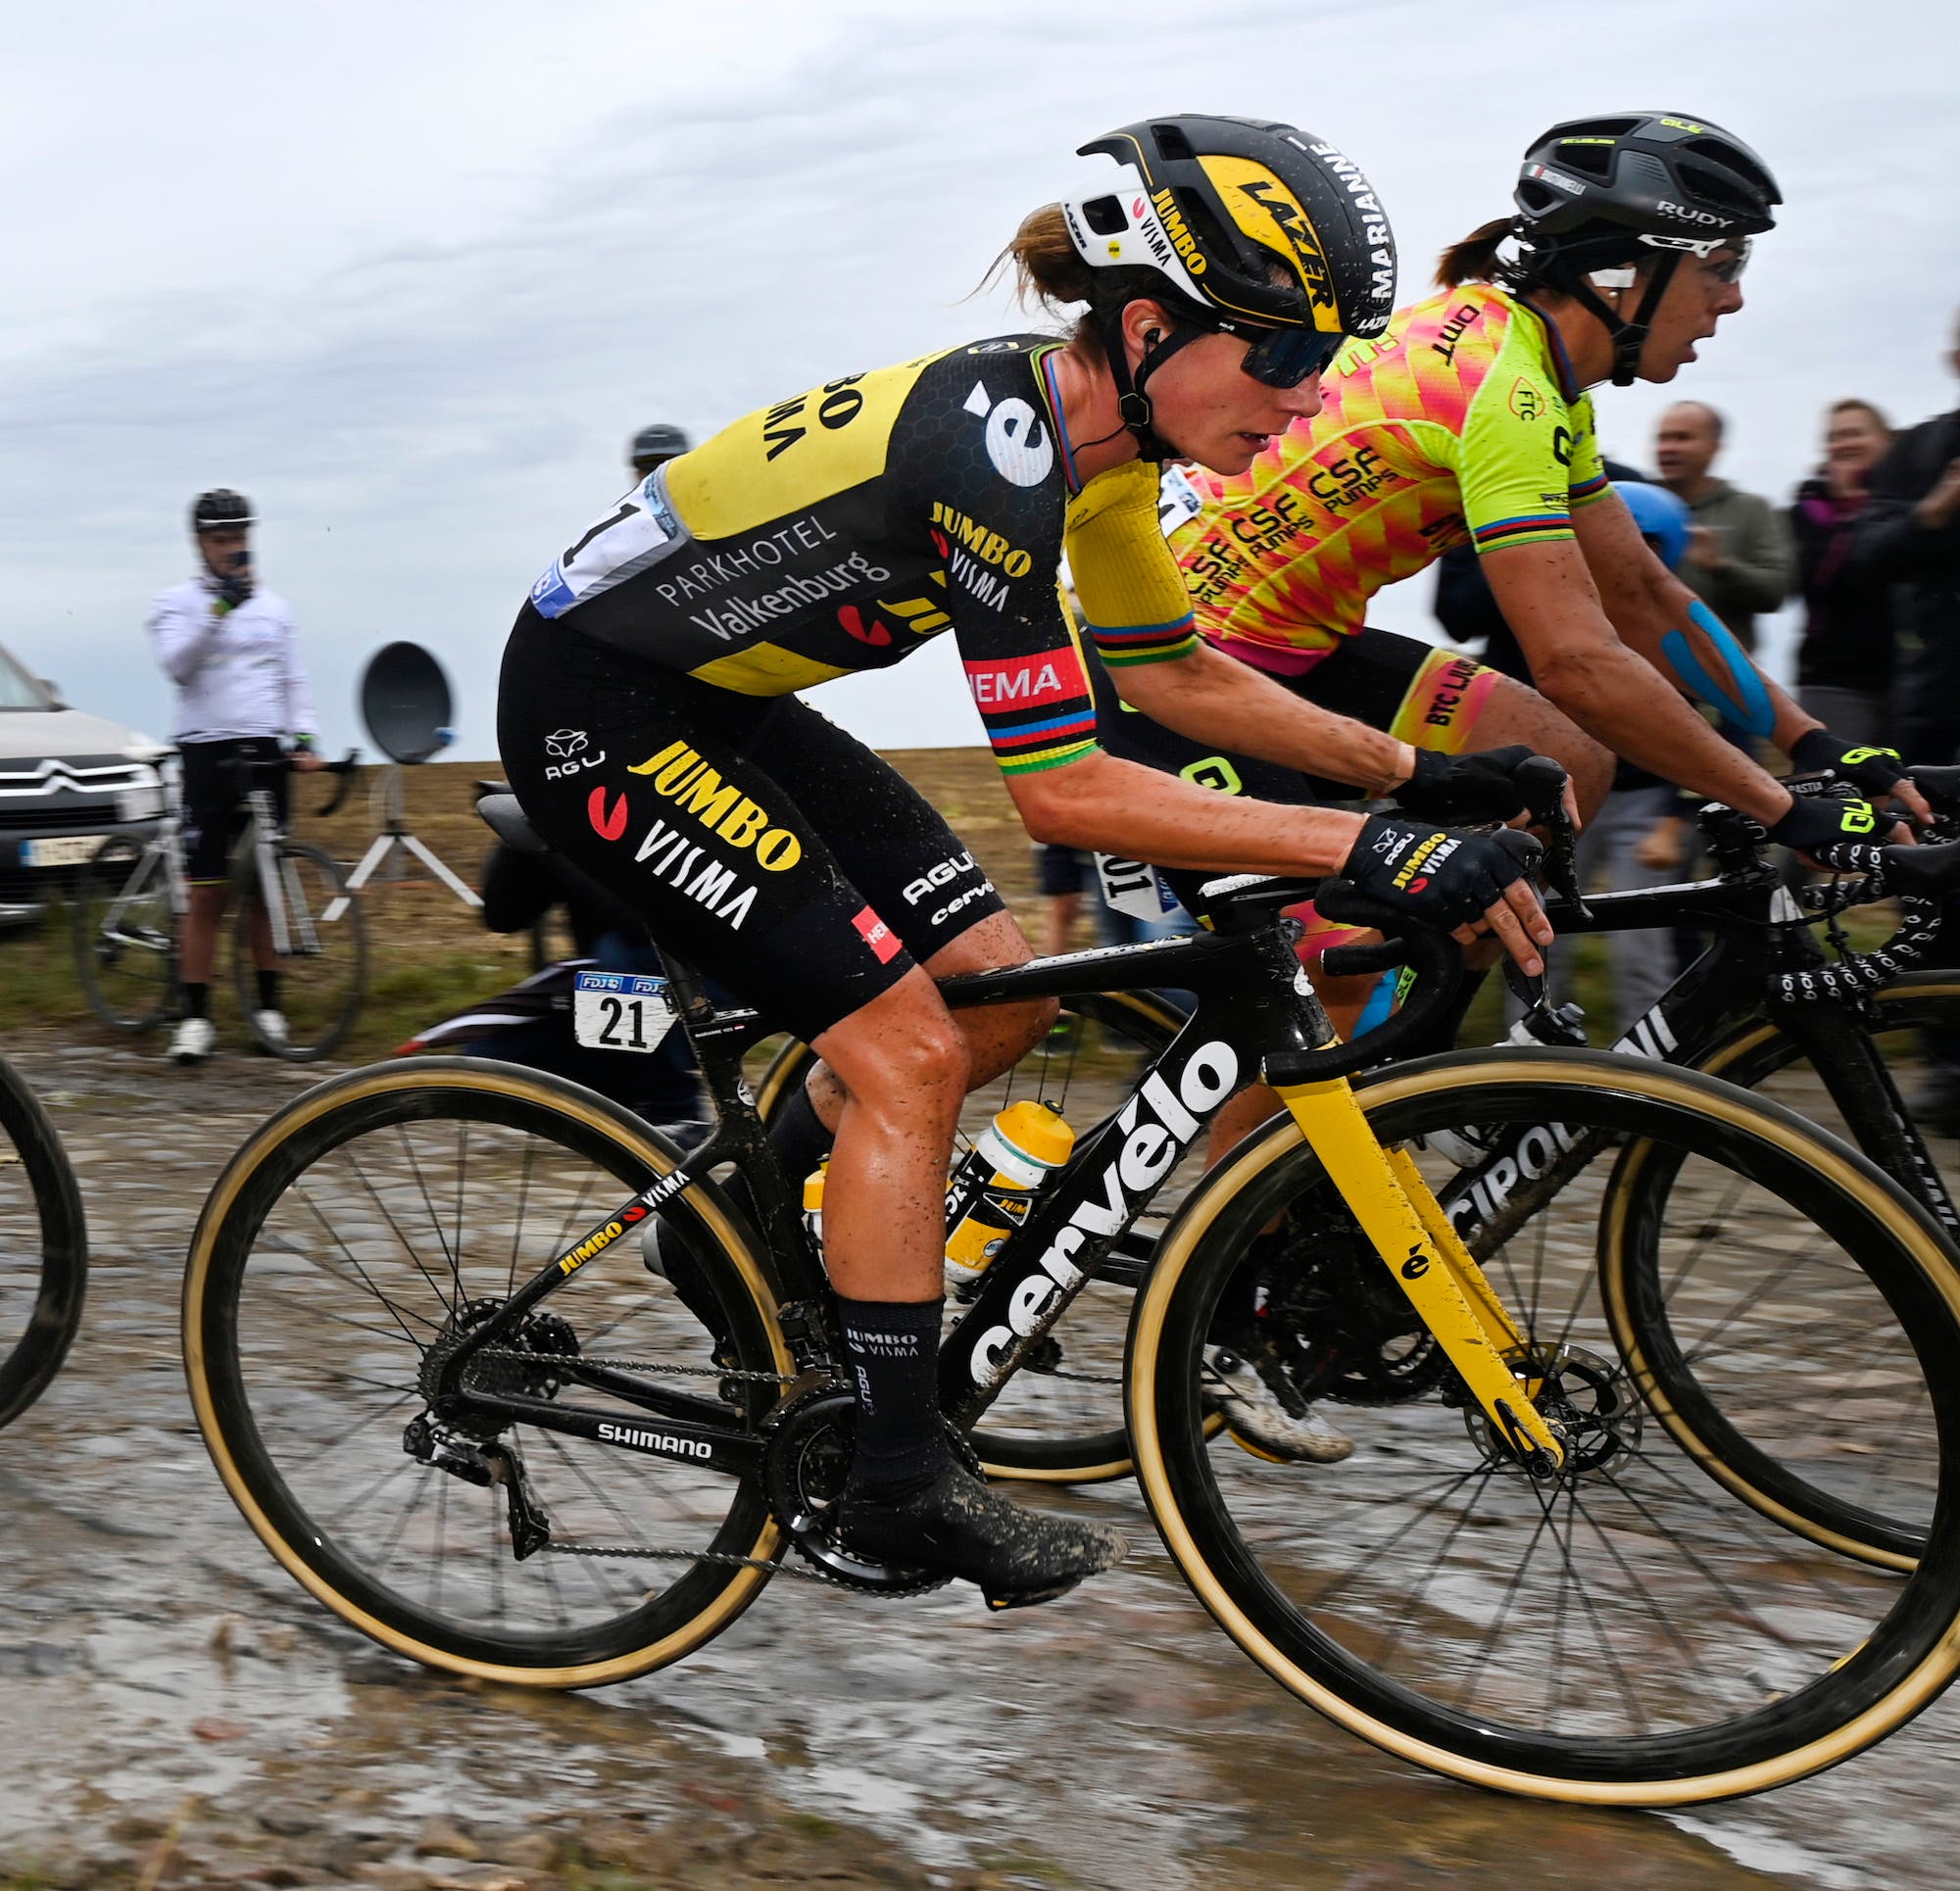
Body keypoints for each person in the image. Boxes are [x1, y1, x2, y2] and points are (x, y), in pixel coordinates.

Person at [499, 117, 1551, 1605]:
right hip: (597, 712)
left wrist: (1415, 770)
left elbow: (1174, 677)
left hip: (715, 706)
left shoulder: (1104, 464)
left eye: (1320, 361)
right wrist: (1370, 846)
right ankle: (896, 1482)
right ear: (1144, 327)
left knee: (1004, 995)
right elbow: (1064, 791)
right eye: (1277, 358)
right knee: (915, 1055)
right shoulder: (991, 450)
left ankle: (737, 1239)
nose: (1307, 398)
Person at [1102, 111, 1917, 1066]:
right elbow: (1575, 658)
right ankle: (1295, 1182)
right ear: (1626, 269)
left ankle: (1413, 1066)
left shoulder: (1533, 374)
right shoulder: (1503, 388)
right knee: (1319, 994)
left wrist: (1814, 745)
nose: (1731, 301)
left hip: (1293, 647)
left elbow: (1647, 600)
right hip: (1173, 661)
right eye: (1721, 266)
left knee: (1563, 760)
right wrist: (1782, 808)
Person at [147, 490, 324, 1065]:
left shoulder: (275, 607)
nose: (232, 548)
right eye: (221, 539)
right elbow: (178, 666)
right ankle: (195, 1018)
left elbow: (292, 679)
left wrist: (303, 735)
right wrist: (220, 610)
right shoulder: (175, 603)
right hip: (206, 753)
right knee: (207, 894)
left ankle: (268, 1008)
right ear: (200, 543)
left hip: (264, 752)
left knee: (263, 891)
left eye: (239, 537)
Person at [1851, 315, 1960, 1123]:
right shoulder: (1921, 451)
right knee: (1942, 885)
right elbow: (1865, 555)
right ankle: (1946, 1059)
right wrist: (1936, 510)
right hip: (1939, 703)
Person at [1654, 400, 1795, 663]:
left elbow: (1774, 593)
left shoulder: (1752, 510)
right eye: (1663, 439)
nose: (1668, 448)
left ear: (1715, 447)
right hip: (1645, 673)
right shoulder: (1632, 506)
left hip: (1724, 679)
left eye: (1683, 438)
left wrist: (1720, 566)